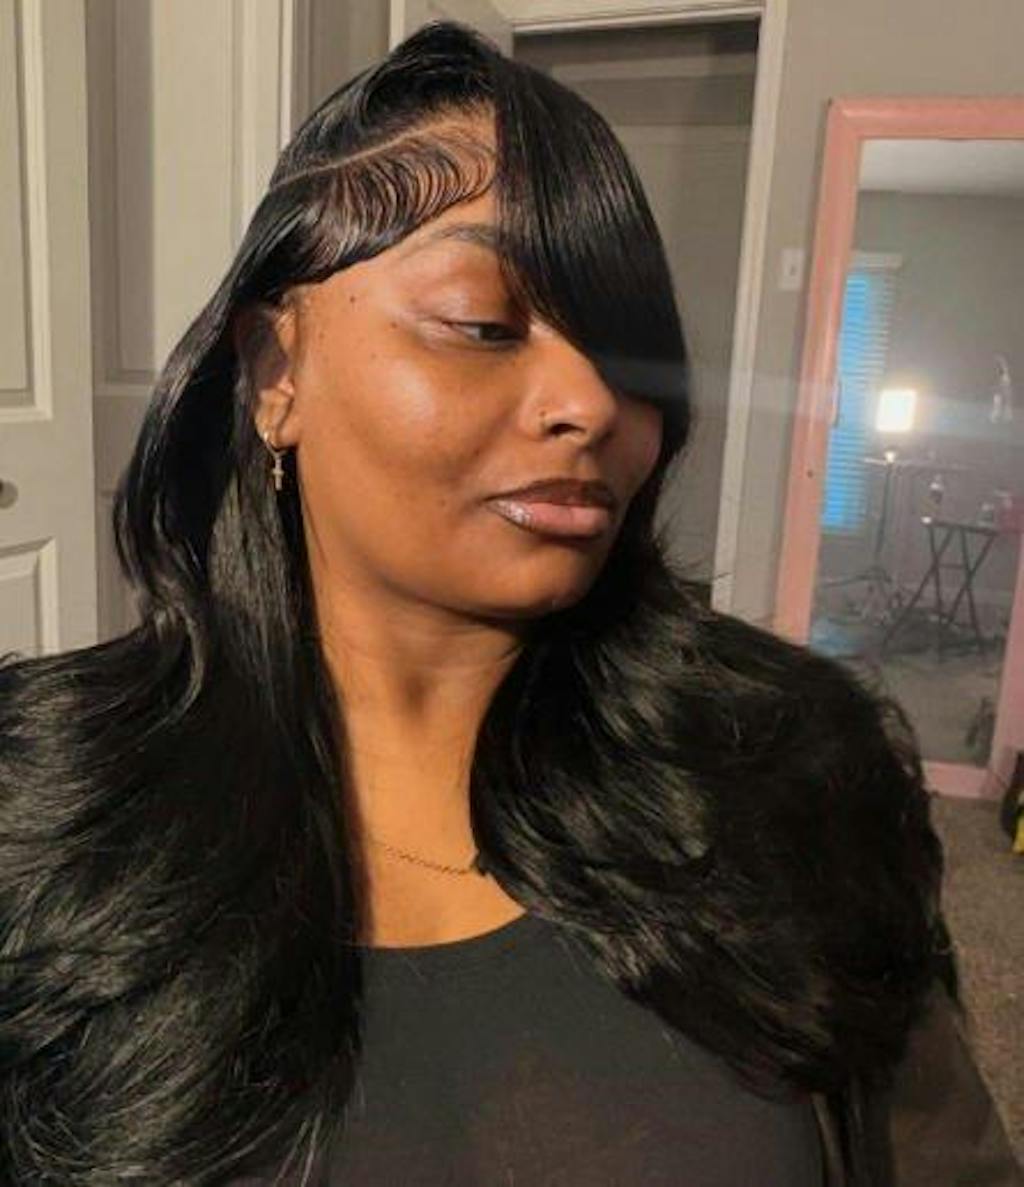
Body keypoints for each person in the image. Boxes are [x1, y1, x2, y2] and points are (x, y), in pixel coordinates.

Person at [0, 20, 1019, 1187]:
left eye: (629, 354)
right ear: (276, 373)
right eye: (484, 325)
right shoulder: (37, 815)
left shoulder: (795, 768)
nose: (590, 400)